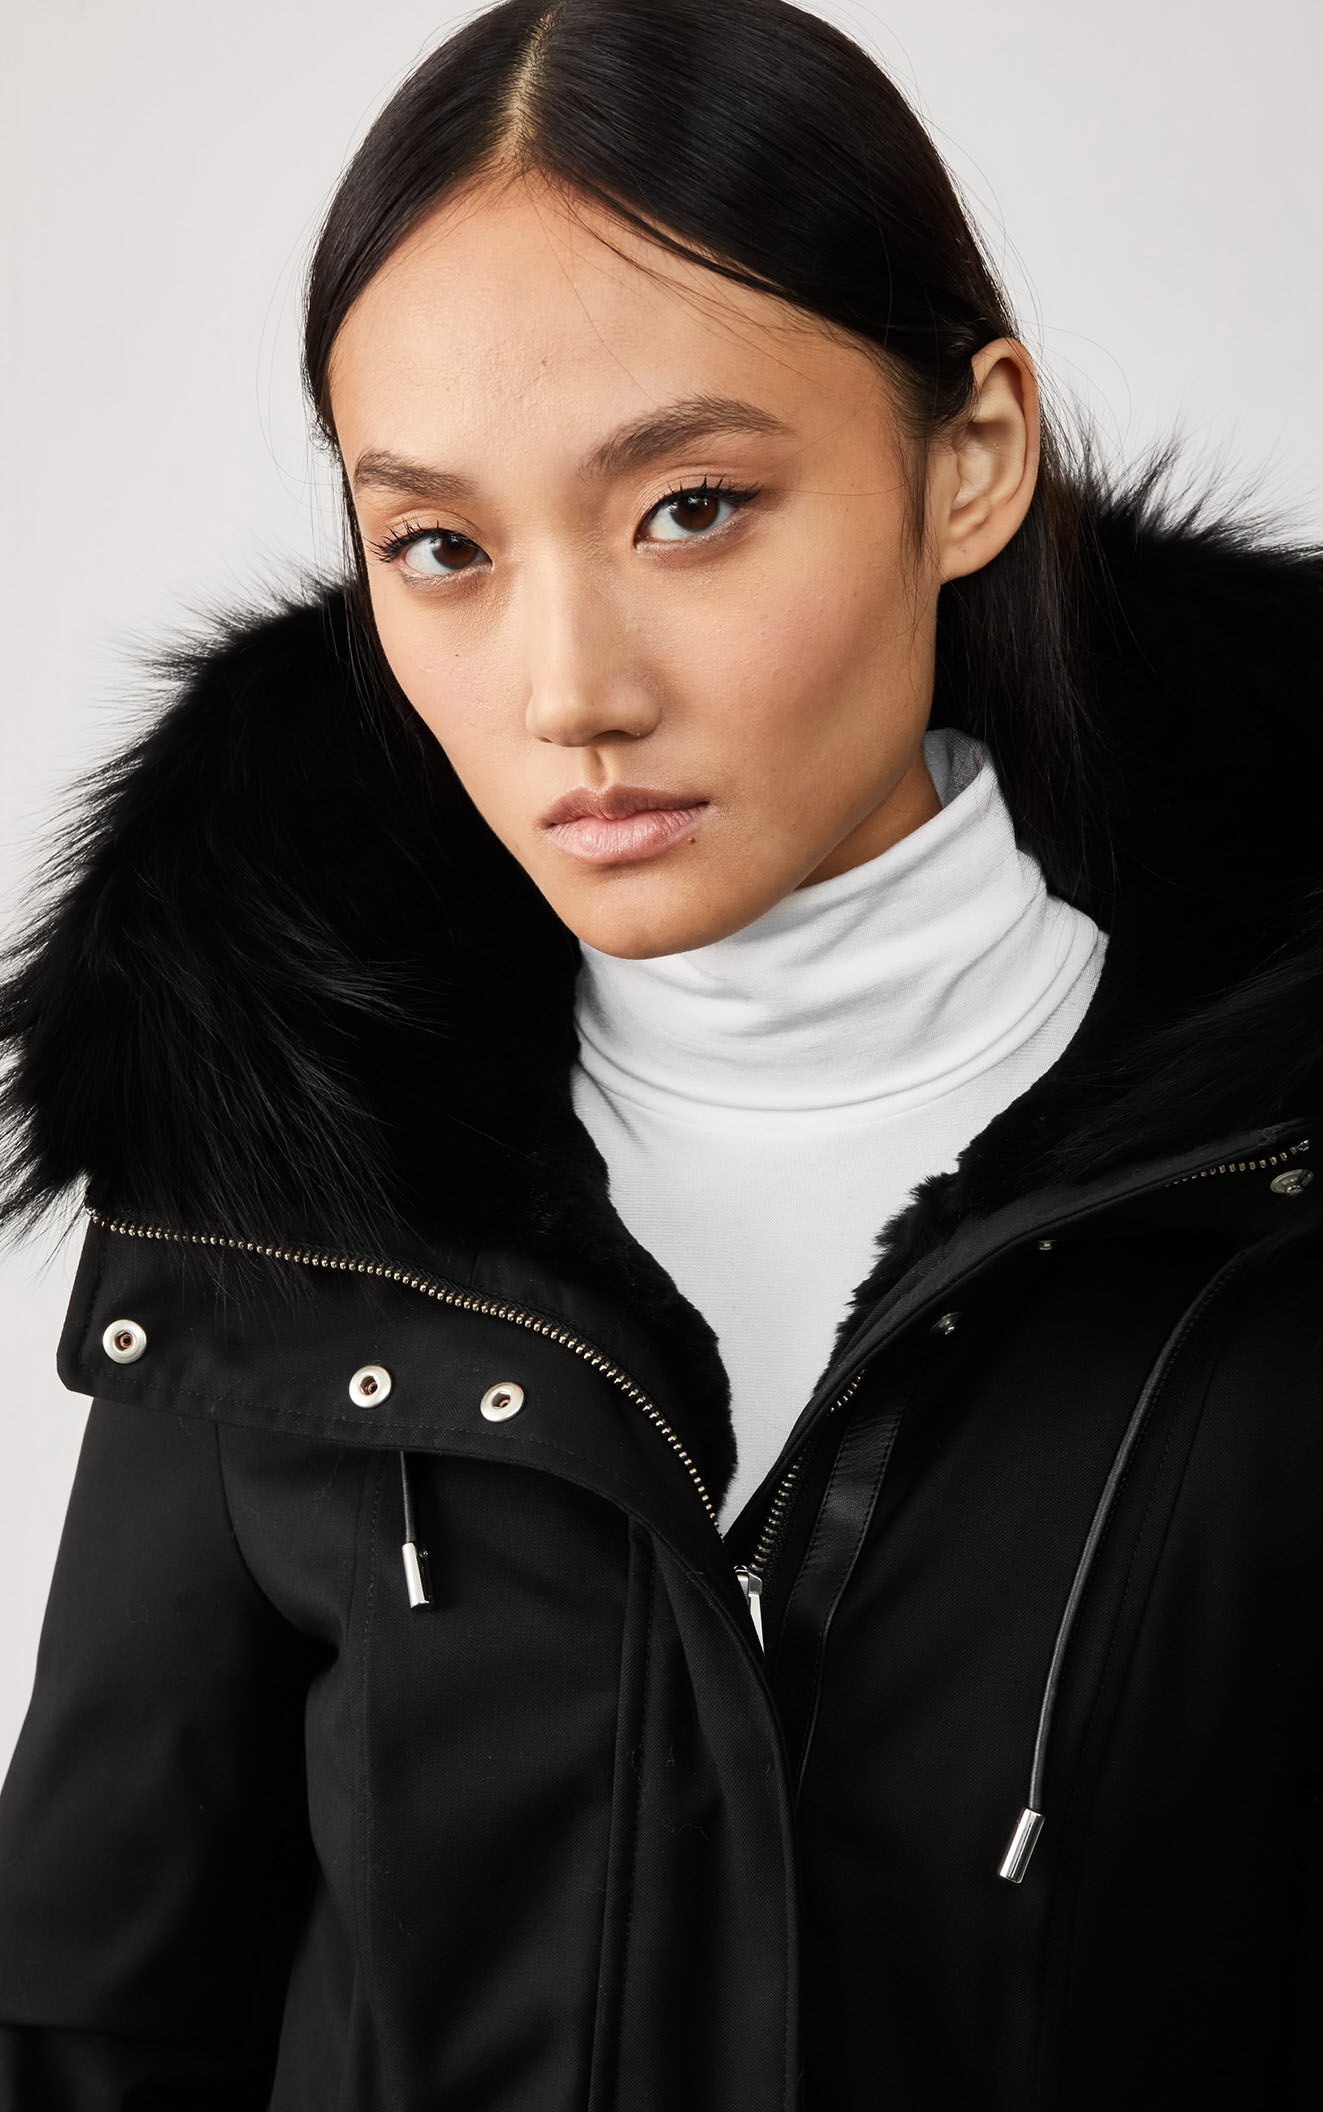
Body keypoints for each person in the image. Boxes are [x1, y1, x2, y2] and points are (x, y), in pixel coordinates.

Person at [0, 1, 1319, 2105]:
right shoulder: (277, 1169)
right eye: (441, 548)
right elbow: (94, 2019)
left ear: (969, 457)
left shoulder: (1271, 1191)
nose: (566, 690)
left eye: (691, 506)